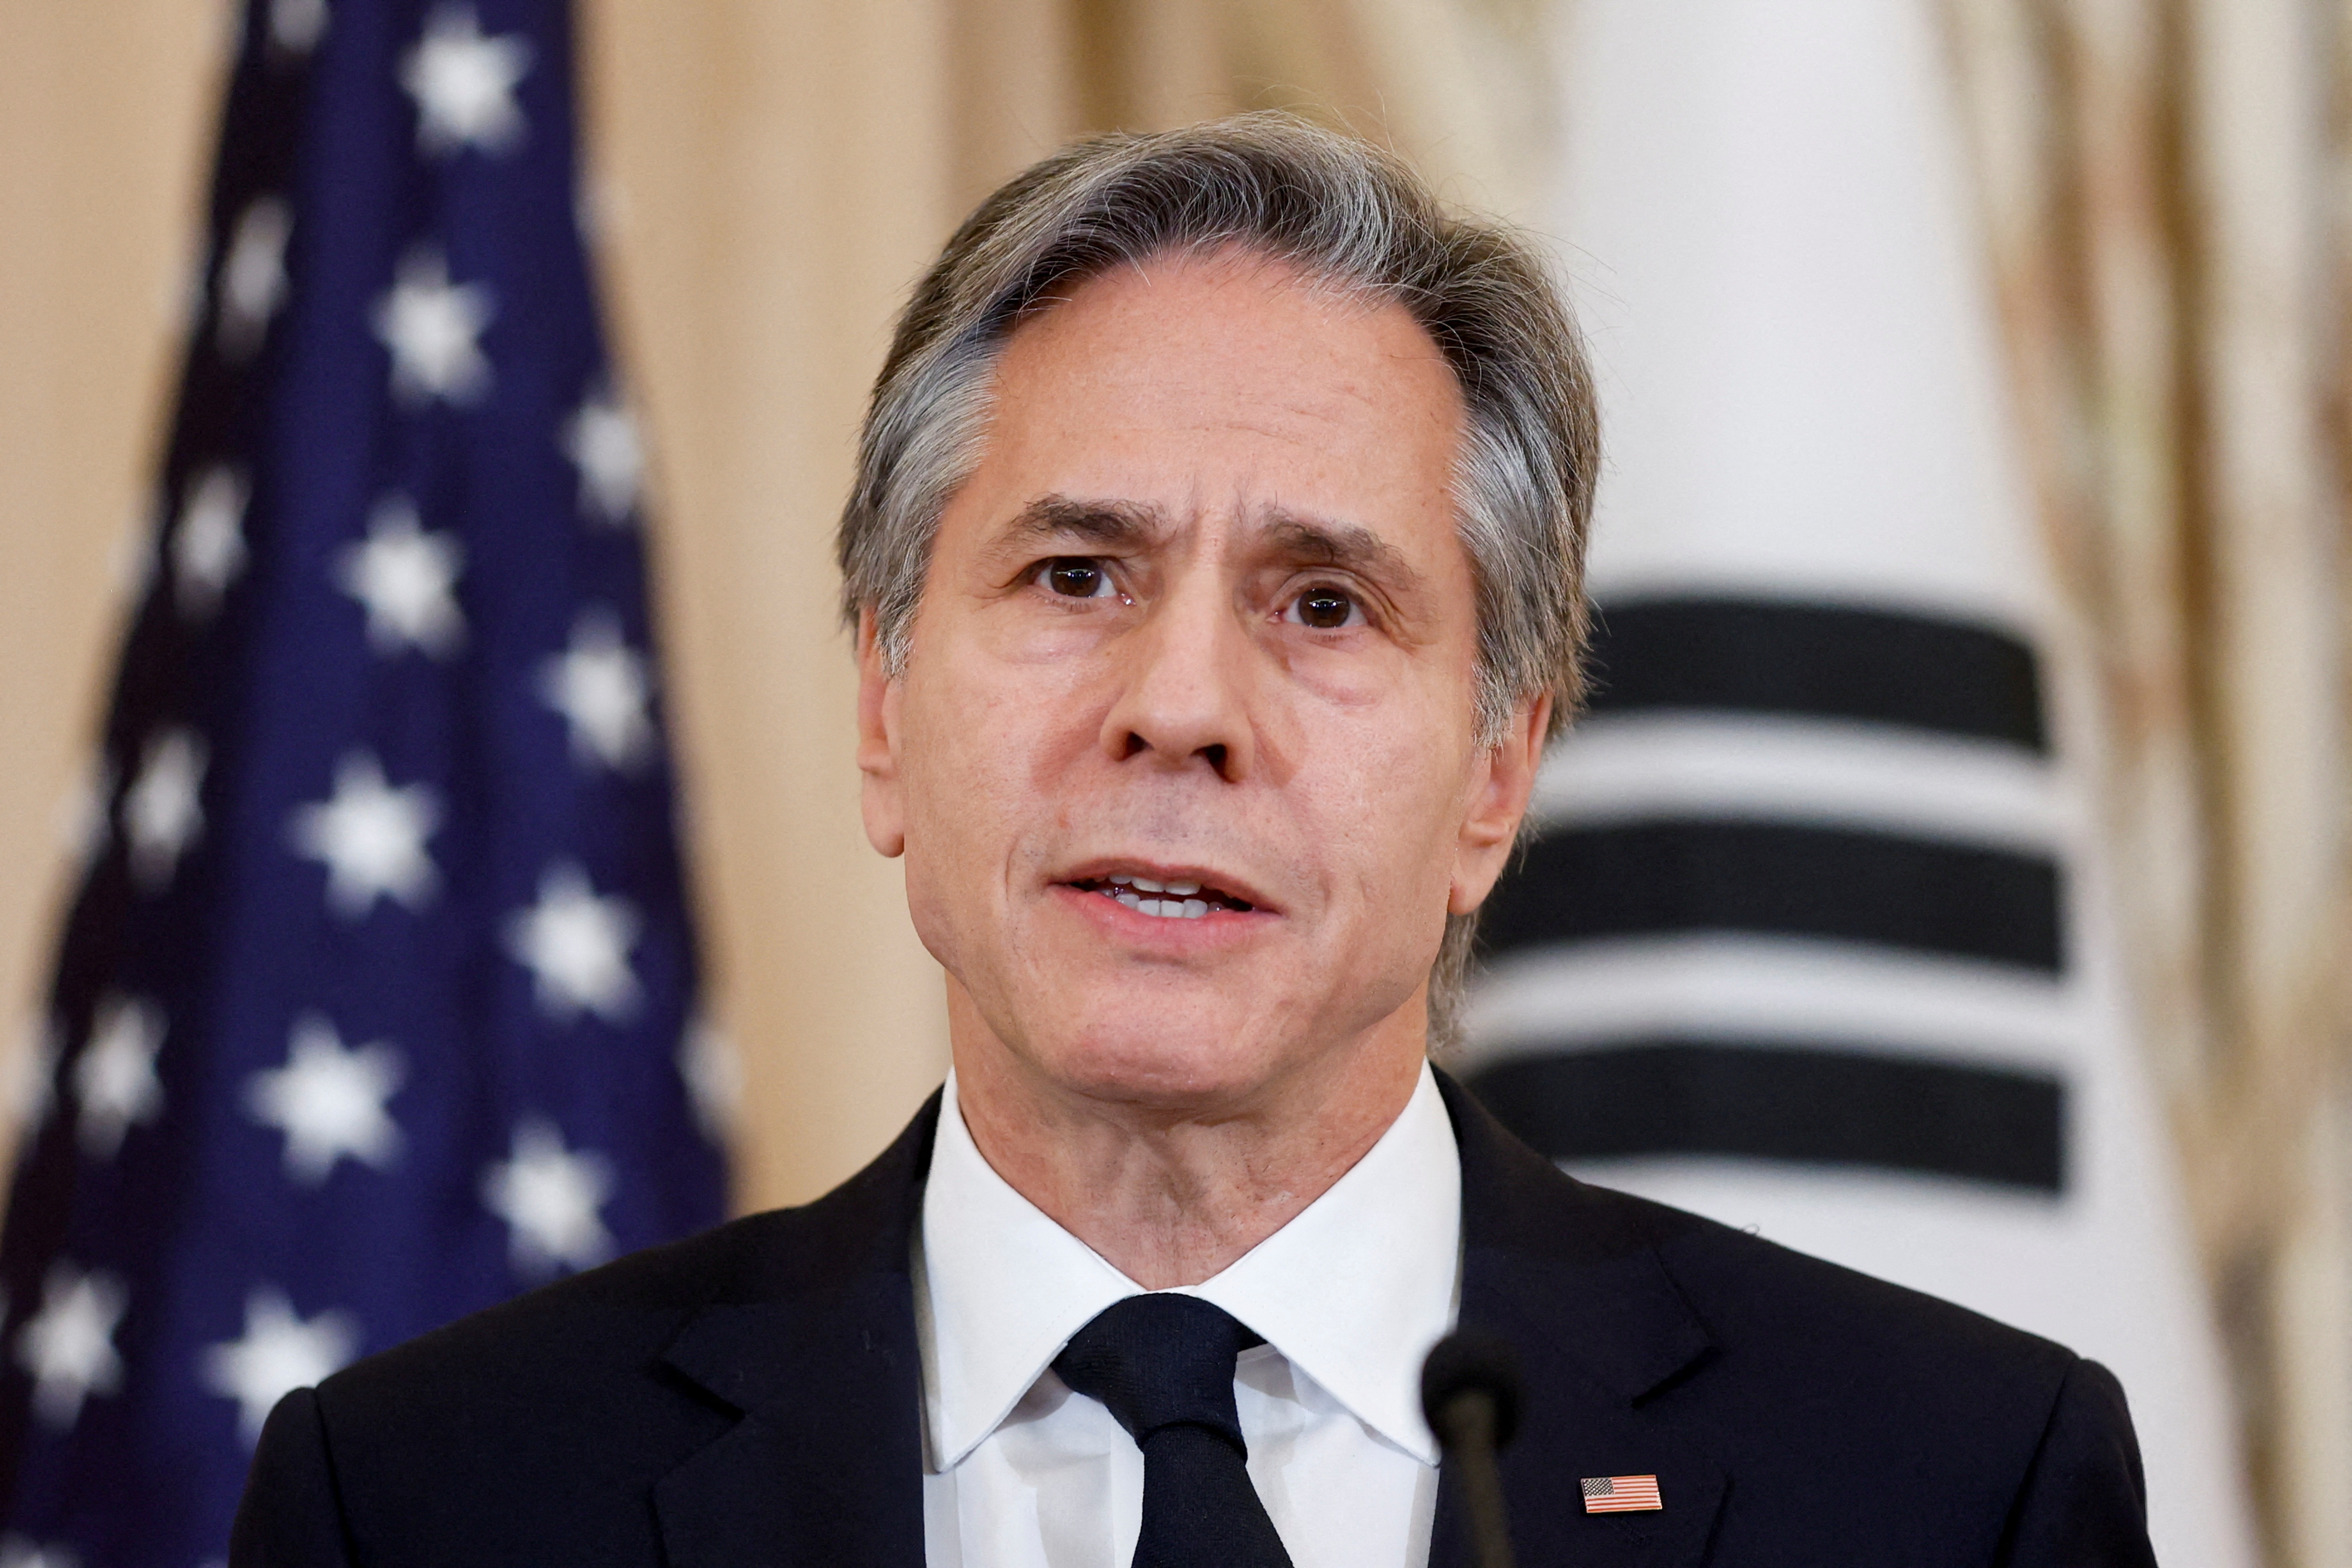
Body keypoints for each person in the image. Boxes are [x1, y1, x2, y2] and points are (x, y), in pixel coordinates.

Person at [230, 114, 2156, 1568]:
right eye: (1077, 572)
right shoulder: (429, 1499)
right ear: (885, 707)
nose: (1180, 704)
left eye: (1324, 603)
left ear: (1495, 775)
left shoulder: (1943, 1485)